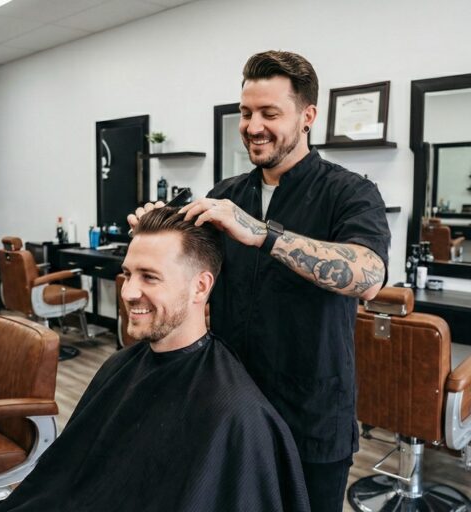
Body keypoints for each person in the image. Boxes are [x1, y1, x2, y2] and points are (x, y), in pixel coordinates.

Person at [129, 50, 390, 510]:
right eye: (246, 112)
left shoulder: (349, 192)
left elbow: (368, 276)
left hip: (312, 418)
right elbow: (190, 280)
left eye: (270, 113)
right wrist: (156, 242)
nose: (253, 126)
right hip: (229, 407)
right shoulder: (225, 195)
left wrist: (261, 234)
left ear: (307, 116)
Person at [0, 207, 310, 511]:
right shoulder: (119, 366)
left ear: (200, 287)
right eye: (128, 274)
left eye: (149, 277)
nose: (129, 291)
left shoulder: (236, 413)